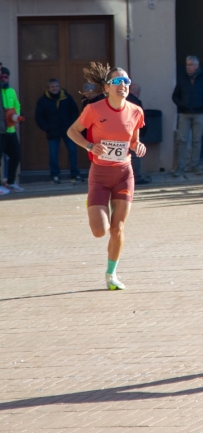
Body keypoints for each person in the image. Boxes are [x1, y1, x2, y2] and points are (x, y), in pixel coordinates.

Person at [66, 63, 146, 291]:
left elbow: (133, 140)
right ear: (107, 87)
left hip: (123, 174)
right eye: (118, 82)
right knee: (100, 231)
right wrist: (90, 146)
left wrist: (138, 146)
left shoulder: (136, 111)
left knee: (117, 228)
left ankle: (111, 275)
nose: (123, 86)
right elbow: (72, 132)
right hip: (100, 175)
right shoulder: (94, 109)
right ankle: (92, 203)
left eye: (126, 82)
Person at [172, 55, 203, 176]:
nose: (189, 67)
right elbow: (175, 95)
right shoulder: (182, 79)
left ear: (197, 66)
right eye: (187, 64)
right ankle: (180, 167)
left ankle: (195, 165)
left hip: (200, 114)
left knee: (197, 140)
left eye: (191, 65)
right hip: (184, 114)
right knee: (182, 140)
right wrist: (181, 104)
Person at [35, 78, 81, 184]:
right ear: (48, 88)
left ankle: (75, 174)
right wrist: (46, 128)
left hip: (68, 131)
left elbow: (74, 111)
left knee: (73, 152)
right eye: (52, 87)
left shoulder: (67, 97)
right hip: (52, 132)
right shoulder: (42, 100)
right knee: (53, 154)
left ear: (59, 87)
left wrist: (72, 125)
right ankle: (55, 175)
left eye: (56, 86)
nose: (55, 88)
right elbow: (39, 117)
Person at [0, 67, 23, 193]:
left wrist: (16, 119)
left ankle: (11, 182)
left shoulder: (11, 91)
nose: (4, 79)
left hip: (10, 130)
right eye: (2, 76)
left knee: (16, 155)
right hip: (1, 131)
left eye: (6, 77)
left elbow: (17, 105)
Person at [126, 83, 150, 185]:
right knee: (135, 155)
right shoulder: (136, 102)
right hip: (133, 131)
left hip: (124, 131)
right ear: (138, 92)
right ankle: (137, 177)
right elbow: (139, 119)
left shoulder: (124, 100)